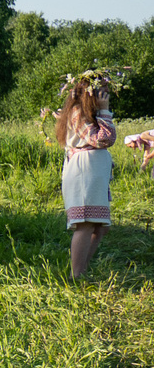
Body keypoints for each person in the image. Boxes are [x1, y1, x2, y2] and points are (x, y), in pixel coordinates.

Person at [56, 70, 121, 282]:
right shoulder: (78, 113)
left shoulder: (86, 112)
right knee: (85, 224)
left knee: (100, 227)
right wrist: (104, 112)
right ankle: (77, 274)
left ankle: (82, 270)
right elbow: (104, 139)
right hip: (84, 172)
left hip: (93, 173)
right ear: (90, 92)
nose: (105, 96)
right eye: (101, 91)